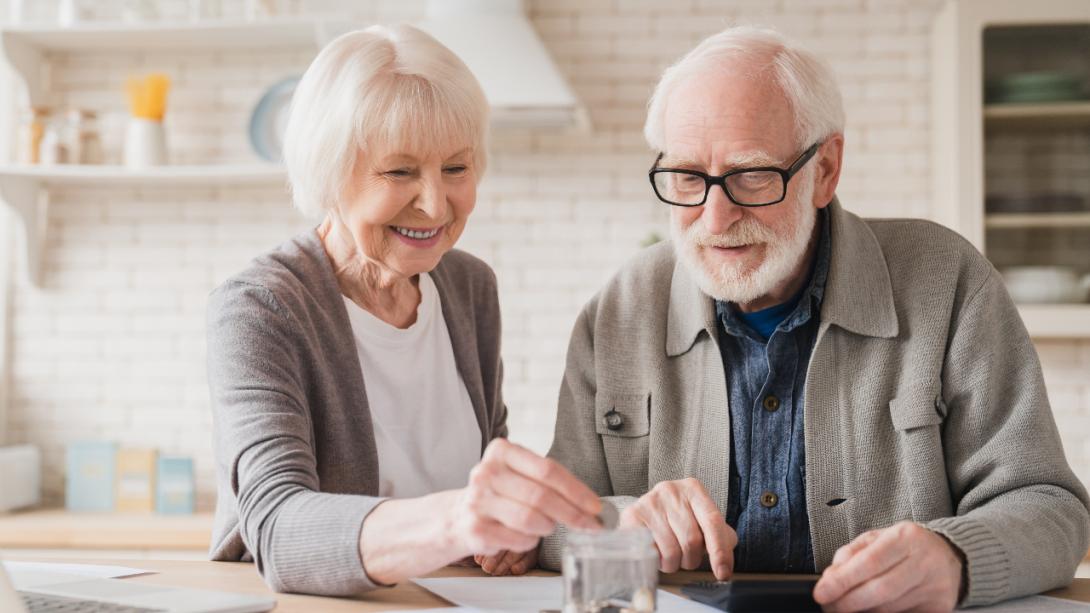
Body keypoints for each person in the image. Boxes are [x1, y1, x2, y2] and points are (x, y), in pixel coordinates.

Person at [537, 25, 1090, 610]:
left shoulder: (946, 280)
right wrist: (624, 523)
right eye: (689, 177)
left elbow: (1052, 509)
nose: (714, 217)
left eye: (751, 174)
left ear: (825, 170)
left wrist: (955, 556)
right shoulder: (620, 307)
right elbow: (547, 520)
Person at [206, 24, 602, 597]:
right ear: (328, 171)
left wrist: (509, 533)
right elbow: (277, 527)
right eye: (399, 171)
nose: (436, 204)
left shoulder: (469, 288)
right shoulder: (260, 308)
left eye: (457, 169)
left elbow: (486, 472)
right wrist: (457, 521)